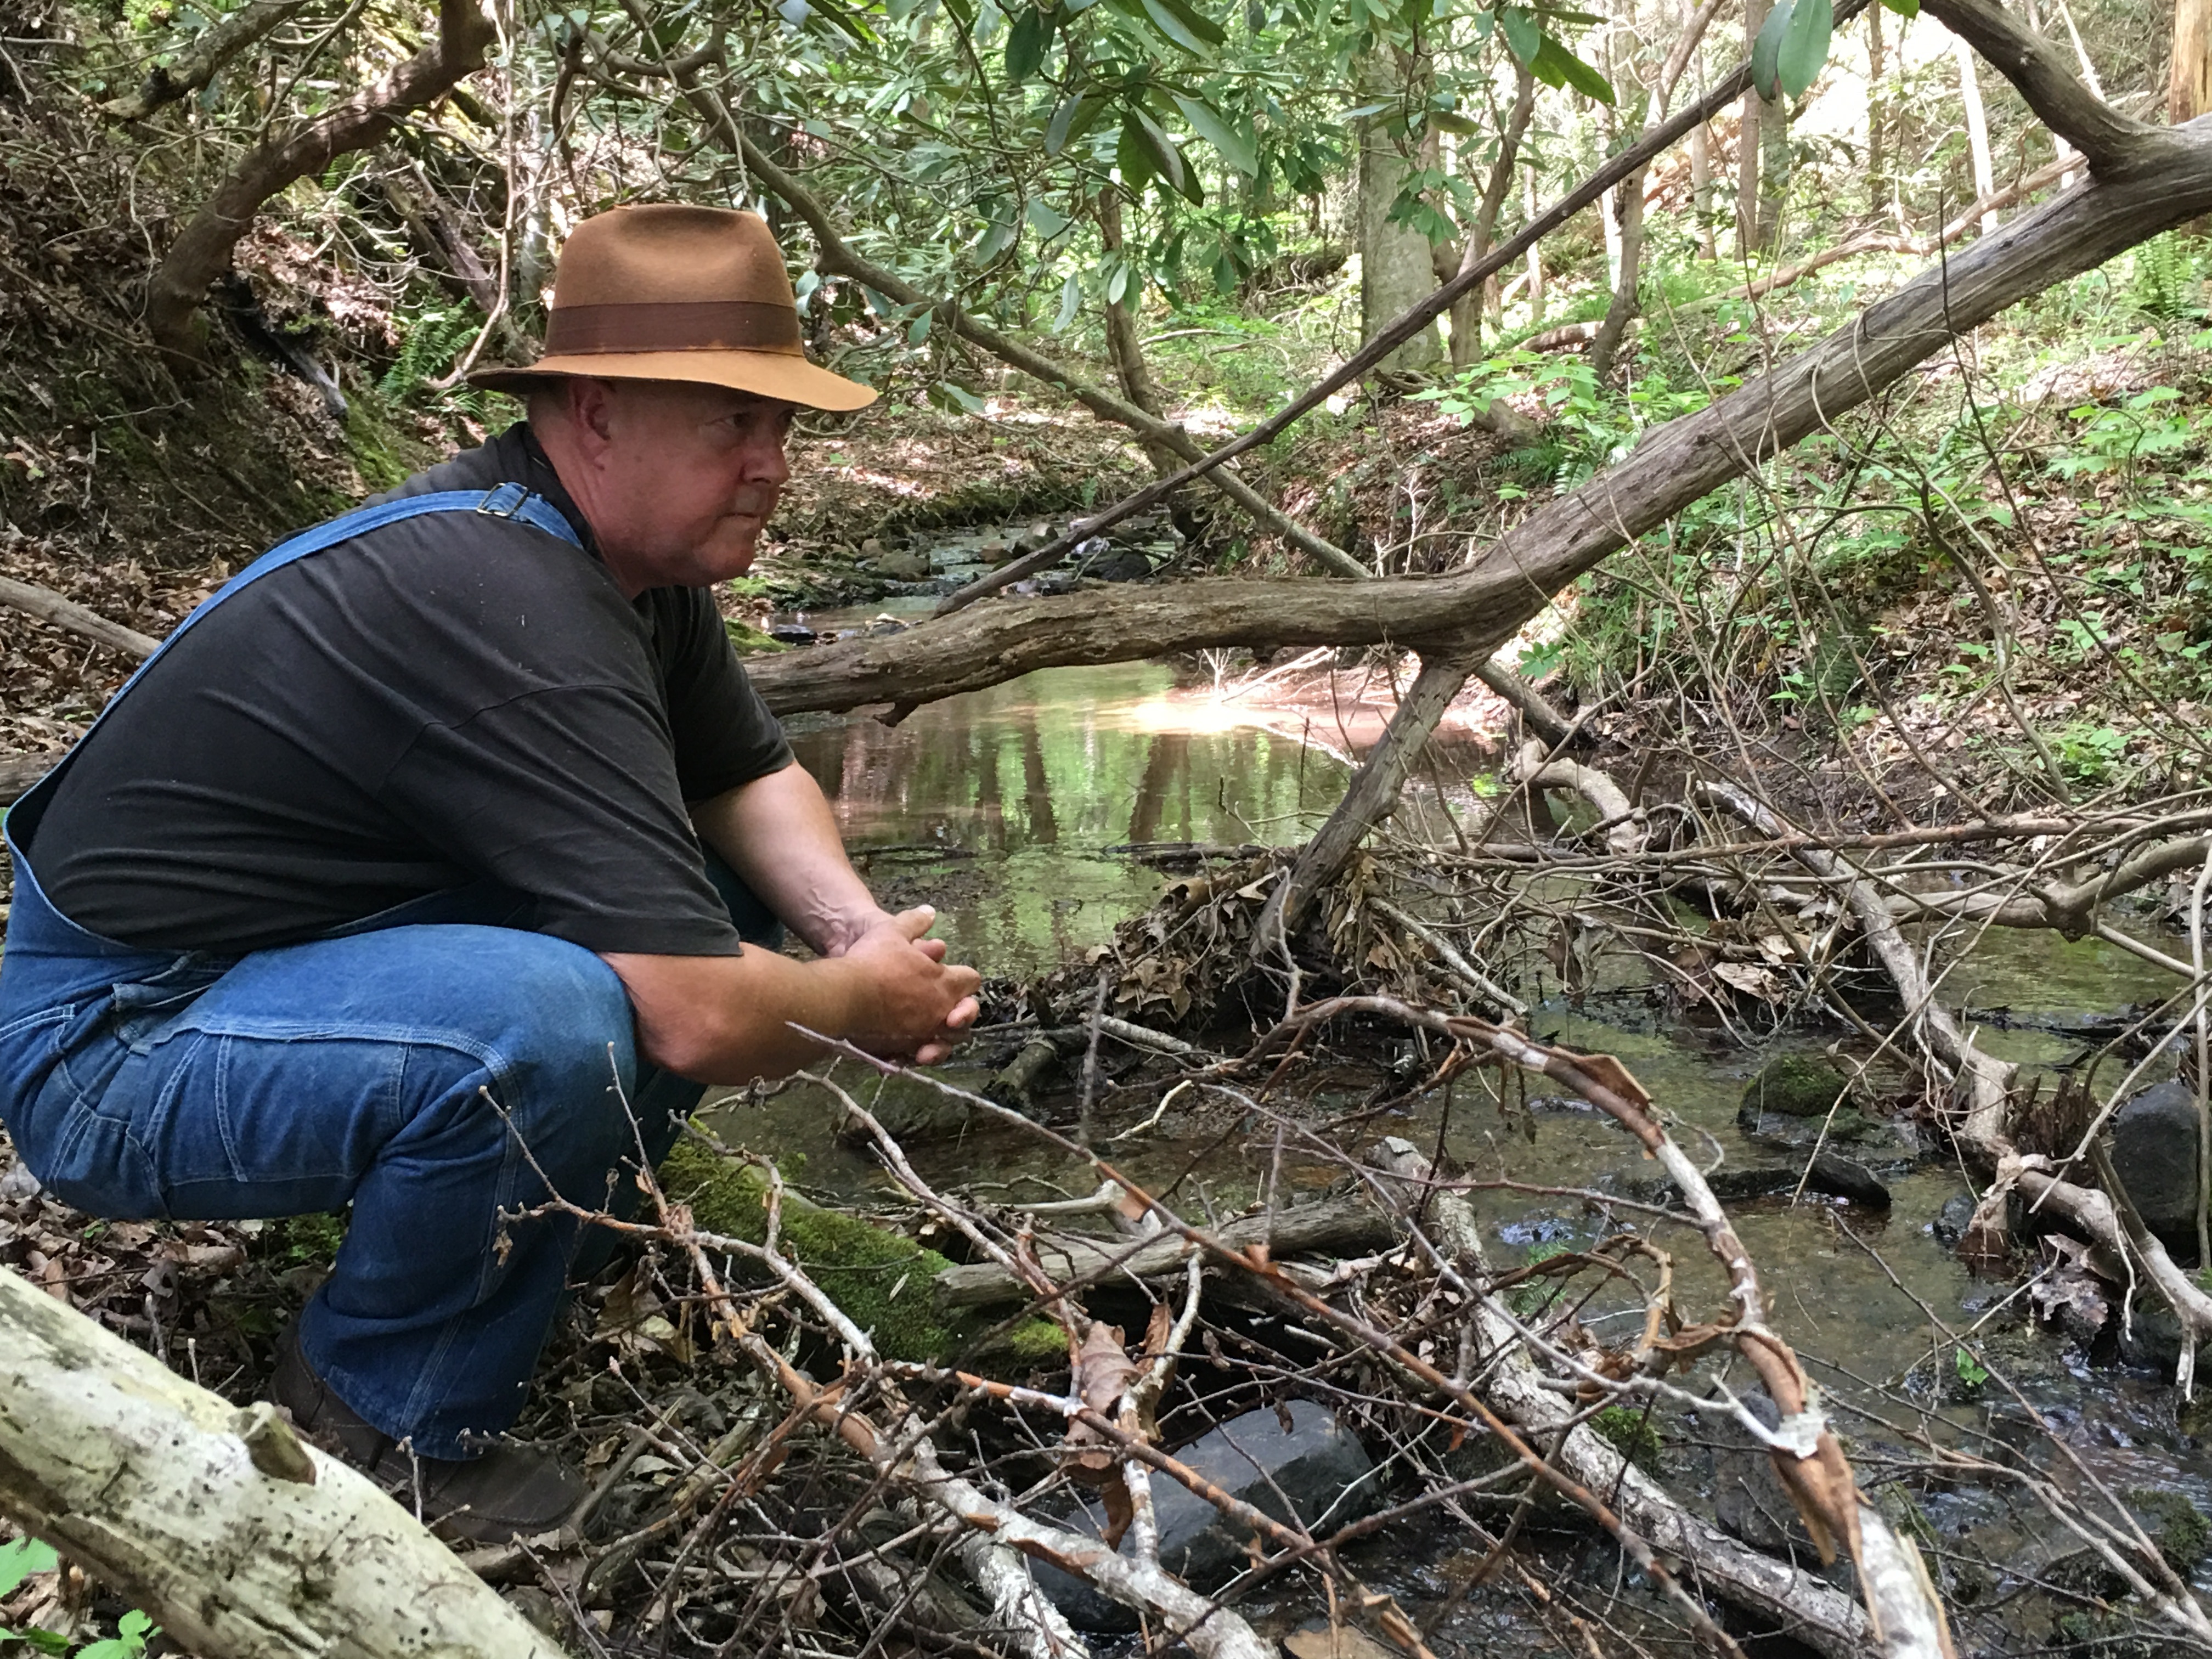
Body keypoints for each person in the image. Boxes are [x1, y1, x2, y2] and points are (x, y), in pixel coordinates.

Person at [0, 204, 980, 1541]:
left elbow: (747, 780)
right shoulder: (499, 593)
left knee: (712, 902)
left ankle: (534, 1245)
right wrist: (867, 1006)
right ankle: (386, 1426)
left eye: (780, 425)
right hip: (115, 1048)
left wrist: (862, 933)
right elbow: (694, 1014)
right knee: (545, 1027)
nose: (770, 464)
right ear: (594, 412)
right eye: (727, 422)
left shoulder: (631, 566)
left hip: (268, 979)